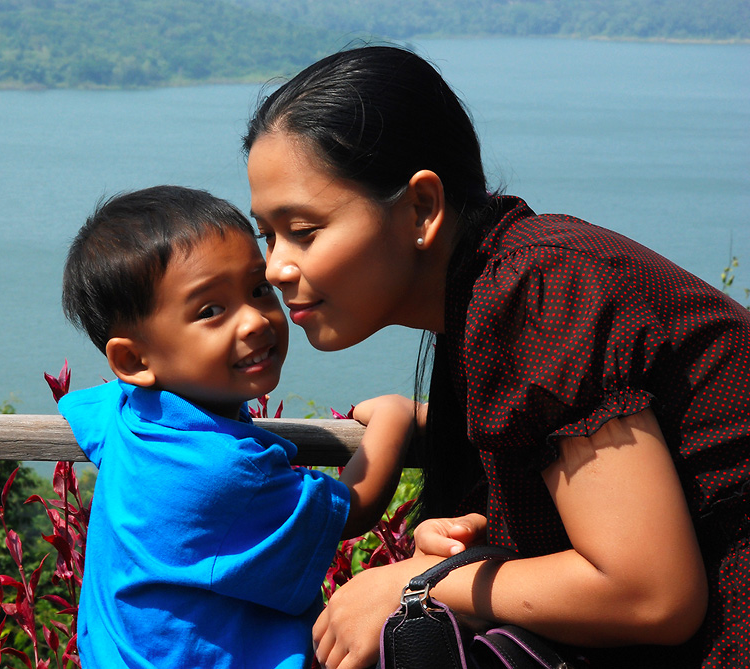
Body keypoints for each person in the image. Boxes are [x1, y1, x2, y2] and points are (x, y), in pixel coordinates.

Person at [243, 45, 749, 669]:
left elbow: (651, 595)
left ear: (421, 209)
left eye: (304, 230)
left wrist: (417, 585)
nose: (275, 268)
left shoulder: (536, 295)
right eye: (268, 234)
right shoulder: (495, 288)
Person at [58, 185, 416, 668]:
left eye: (258, 290)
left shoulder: (123, 413)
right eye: (211, 311)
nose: (254, 321)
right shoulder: (224, 471)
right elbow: (352, 510)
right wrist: (396, 417)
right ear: (133, 360)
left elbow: (82, 407)